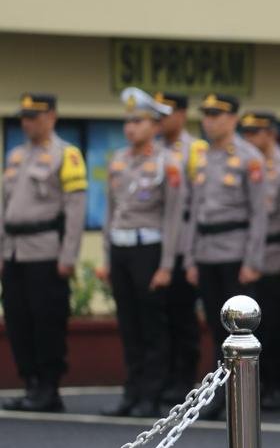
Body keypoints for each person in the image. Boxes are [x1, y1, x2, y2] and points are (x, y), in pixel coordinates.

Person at [97, 89, 185, 418]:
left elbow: (173, 217)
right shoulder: (118, 161)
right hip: (120, 248)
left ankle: (151, 394)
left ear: (155, 125)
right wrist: (107, 258)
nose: (130, 128)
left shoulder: (168, 163)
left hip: (148, 249)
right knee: (129, 325)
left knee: (152, 327)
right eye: (127, 122)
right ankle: (131, 392)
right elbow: (110, 212)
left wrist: (166, 265)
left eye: (138, 121)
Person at [1, 92, 87, 413]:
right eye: (24, 116)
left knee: (46, 320)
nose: (27, 122)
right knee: (18, 320)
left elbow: (76, 209)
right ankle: (31, 384)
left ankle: (49, 388)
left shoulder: (67, 155)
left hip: (46, 251)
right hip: (15, 252)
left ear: (51, 116)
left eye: (34, 116)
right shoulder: (15, 156)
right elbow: (5, 208)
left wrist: (68, 255)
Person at [185, 93, 268, 420]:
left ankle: (240, 390)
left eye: (217, 114)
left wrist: (253, 261)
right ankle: (219, 391)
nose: (210, 120)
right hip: (207, 252)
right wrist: (191, 258)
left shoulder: (250, 158)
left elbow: (259, 214)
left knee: (239, 330)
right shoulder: (202, 158)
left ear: (233, 118)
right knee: (213, 324)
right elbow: (194, 212)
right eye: (206, 114)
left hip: (236, 252)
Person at [238, 111, 280, 411]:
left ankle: (276, 385)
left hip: (276, 256)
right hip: (249, 254)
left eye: (256, 132)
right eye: (246, 132)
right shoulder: (244, 165)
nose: (249, 138)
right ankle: (255, 385)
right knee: (252, 327)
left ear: (270, 134)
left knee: (275, 326)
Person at [154, 91, 205, 403]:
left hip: (184, 239)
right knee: (159, 319)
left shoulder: (195, 150)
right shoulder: (152, 149)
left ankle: (184, 380)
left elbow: (196, 205)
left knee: (182, 316)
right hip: (156, 243)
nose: (161, 119)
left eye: (167, 112)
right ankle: (164, 377)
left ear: (183, 115)